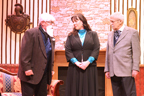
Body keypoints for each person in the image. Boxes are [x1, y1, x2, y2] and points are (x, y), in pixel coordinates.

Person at [18, 13, 55, 96]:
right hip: (30, 74)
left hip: (43, 73)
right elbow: (24, 53)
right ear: (42, 22)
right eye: (50, 23)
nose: (52, 25)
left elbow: (50, 54)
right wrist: (27, 68)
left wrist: (51, 68)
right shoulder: (31, 33)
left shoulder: (50, 35)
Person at [104, 12, 140, 96]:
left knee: (129, 94)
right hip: (113, 71)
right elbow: (108, 52)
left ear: (120, 21)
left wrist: (135, 68)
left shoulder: (132, 32)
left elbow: (136, 52)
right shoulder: (110, 34)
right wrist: (107, 69)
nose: (111, 24)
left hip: (126, 70)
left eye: (112, 21)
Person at [65, 13, 100, 96]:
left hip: (89, 67)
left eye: (76, 21)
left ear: (83, 21)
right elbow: (68, 51)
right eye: (73, 22)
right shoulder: (70, 36)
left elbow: (96, 49)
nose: (74, 23)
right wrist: (77, 63)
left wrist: (87, 62)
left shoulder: (93, 34)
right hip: (74, 68)